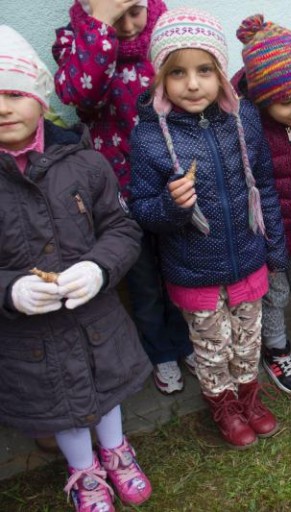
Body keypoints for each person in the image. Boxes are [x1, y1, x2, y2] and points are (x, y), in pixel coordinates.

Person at [0, 25, 151, 512]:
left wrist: (99, 269)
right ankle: (83, 470)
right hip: (30, 338)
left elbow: (122, 229)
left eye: (15, 93)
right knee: (59, 401)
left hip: (96, 318)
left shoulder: (84, 162)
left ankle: (116, 451)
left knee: (105, 388)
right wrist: (10, 292)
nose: (3, 108)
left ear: (41, 97)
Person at [129, 8, 287, 448]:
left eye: (204, 70)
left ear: (221, 73)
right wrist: (171, 206)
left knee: (247, 340)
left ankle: (249, 398)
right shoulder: (149, 138)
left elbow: (265, 188)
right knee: (211, 348)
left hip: (248, 261)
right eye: (177, 72)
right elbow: (143, 211)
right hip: (194, 269)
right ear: (160, 77)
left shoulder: (245, 120)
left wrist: (273, 249)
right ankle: (224, 406)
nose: (192, 83)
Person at [52, 0, 194, 395]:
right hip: (119, 191)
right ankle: (161, 353)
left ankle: (187, 343)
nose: (128, 25)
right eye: (117, 15)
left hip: (170, 184)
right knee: (144, 280)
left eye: (135, 11)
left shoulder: (167, 36)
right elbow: (79, 94)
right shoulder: (77, 41)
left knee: (179, 269)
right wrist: (100, 28)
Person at [233, 14, 291, 396]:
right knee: (275, 292)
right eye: (287, 101)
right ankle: (276, 348)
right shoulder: (247, 128)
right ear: (262, 96)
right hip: (269, 232)